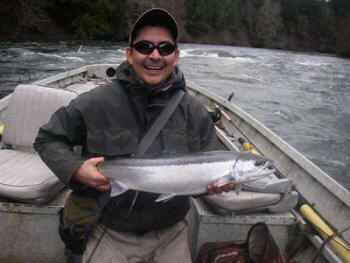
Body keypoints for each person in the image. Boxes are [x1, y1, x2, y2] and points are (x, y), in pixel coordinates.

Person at [34, 8, 234, 263]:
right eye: (144, 47)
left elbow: (202, 174)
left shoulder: (195, 112)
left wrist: (214, 186)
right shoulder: (96, 102)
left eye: (164, 48)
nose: (155, 55)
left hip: (171, 232)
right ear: (129, 54)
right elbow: (47, 139)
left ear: (176, 56)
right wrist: (76, 169)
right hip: (110, 231)